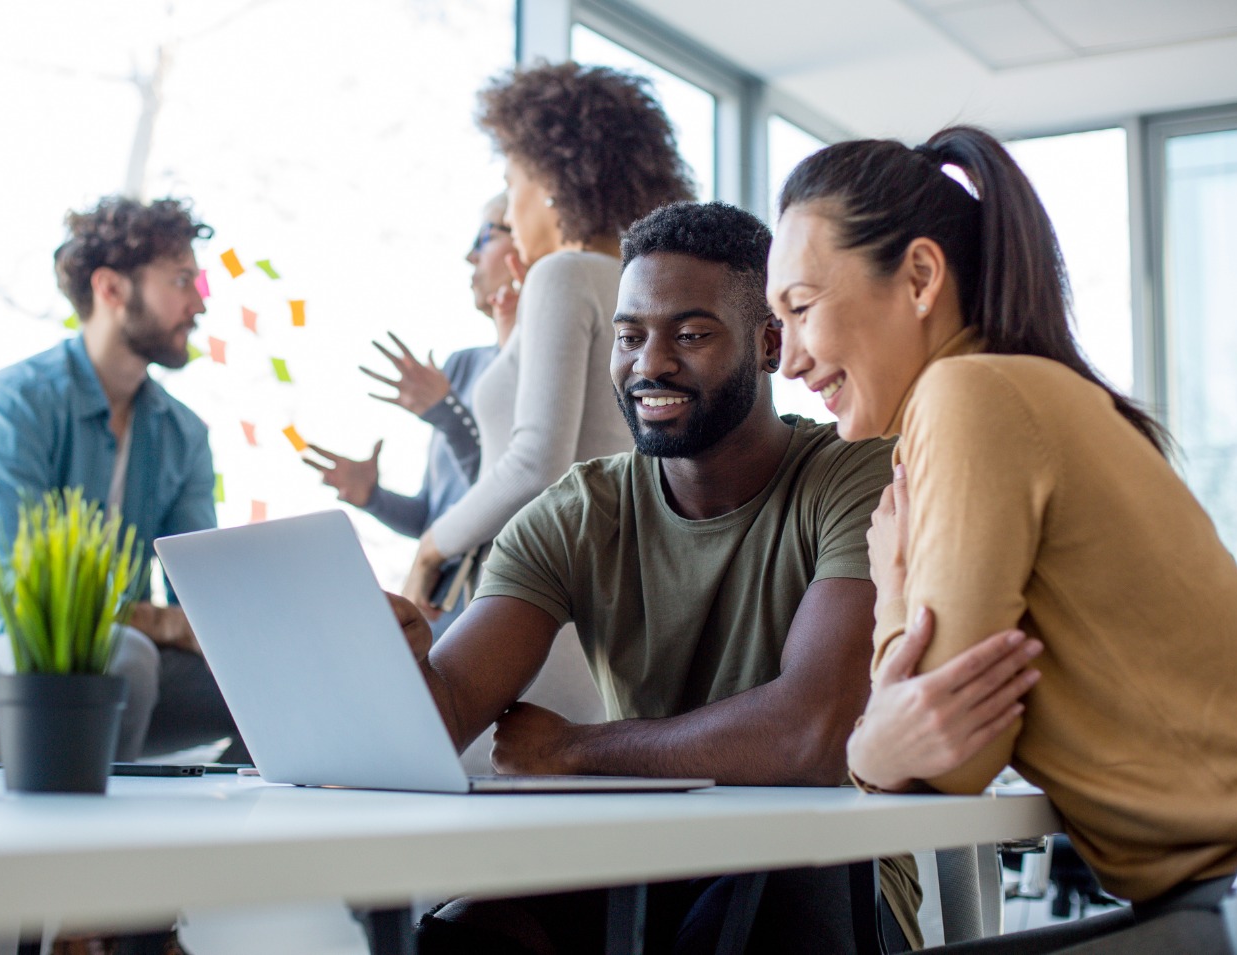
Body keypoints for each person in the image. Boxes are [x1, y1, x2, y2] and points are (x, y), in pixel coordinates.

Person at [393, 201, 922, 954]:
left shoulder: (856, 475)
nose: (651, 363)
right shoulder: (579, 510)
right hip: (641, 864)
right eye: (631, 336)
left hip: (824, 871)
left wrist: (578, 749)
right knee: (470, 934)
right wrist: (392, 664)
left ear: (770, 343)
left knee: (758, 891)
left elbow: (811, 737)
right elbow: (444, 710)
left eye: (693, 334)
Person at [768, 126, 1237, 953]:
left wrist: (892, 581)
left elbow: (952, 756)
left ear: (919, 277)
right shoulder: (1010, 389)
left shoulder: (966, 395)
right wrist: (887, 737)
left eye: (802, 308)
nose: (791, 361)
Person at [0, 196, 246, 765]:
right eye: (182, 280)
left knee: (282, 679)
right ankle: (96, 831)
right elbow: (19, 594)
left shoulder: (183, 433)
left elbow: (203, 602)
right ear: (111, 289)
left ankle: (206, 830)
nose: (199, 302)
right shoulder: (15, 404)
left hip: (125, 669)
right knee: (124, 655)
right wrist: (160, 622)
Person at [401, 62, 695, 615]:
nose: (511, 208)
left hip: (534, 593)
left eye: (513, 185)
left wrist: (429, 547)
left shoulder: (563, 275)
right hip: (605, 585)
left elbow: (536, 461)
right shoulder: (644, 285)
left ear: (553, 180)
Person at [304, 195, 522, 636]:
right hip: (439, 603)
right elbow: (434, 516)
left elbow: (511, 485)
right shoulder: (460, 365)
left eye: (485, 236)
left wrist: (446, 414)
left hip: (491, 600)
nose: (470, 255)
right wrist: (374, 498)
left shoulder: (539, 372)